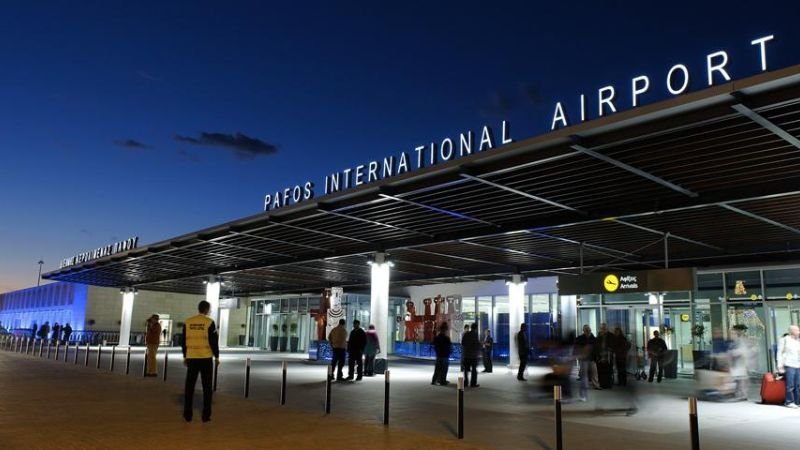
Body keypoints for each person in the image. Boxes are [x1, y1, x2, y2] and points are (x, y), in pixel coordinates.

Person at [181, 300, 220, 422]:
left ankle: (188, 415)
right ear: (207, 310)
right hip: (205, 358)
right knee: (207, 387)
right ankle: (206, 415)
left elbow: (183, 341)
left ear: (199, 309)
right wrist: (217, 356)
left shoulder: (188, 322)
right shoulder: (209, 322)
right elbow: (213, 341)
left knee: (189, 387)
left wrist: (185, 356)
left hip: (192, 357)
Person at [778, 325, 800, 408]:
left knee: (798, 385)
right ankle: (789, 401)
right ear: (791, 331)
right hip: (789, 364)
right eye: (797, 330)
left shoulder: (797, 341)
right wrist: (780, 366)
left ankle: (797, 401)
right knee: (790, 385)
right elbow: (779, 353)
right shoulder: (784, 340)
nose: (799, 332)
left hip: (797, 365)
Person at [574, 325, 597, 401]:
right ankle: (583, 395)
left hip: (592, 359)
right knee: (584, 378)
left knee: (594, 374)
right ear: (583, 331)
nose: (587, 331)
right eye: (585, 330)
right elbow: (576, 348)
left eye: (588, 330)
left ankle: (595, 385)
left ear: (590, 330)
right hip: (583, 360)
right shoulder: (580, 339)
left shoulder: (594, 339)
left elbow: (597, 349)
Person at [462, 323, 481, 387]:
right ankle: (473, 383)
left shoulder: (466, 334)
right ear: (476, 328)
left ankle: (466, 382)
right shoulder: (475, 335)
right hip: (473, 355)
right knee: (474, 370)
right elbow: (477, 344)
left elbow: (463, 343)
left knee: (466, 370)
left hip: (466, 354)